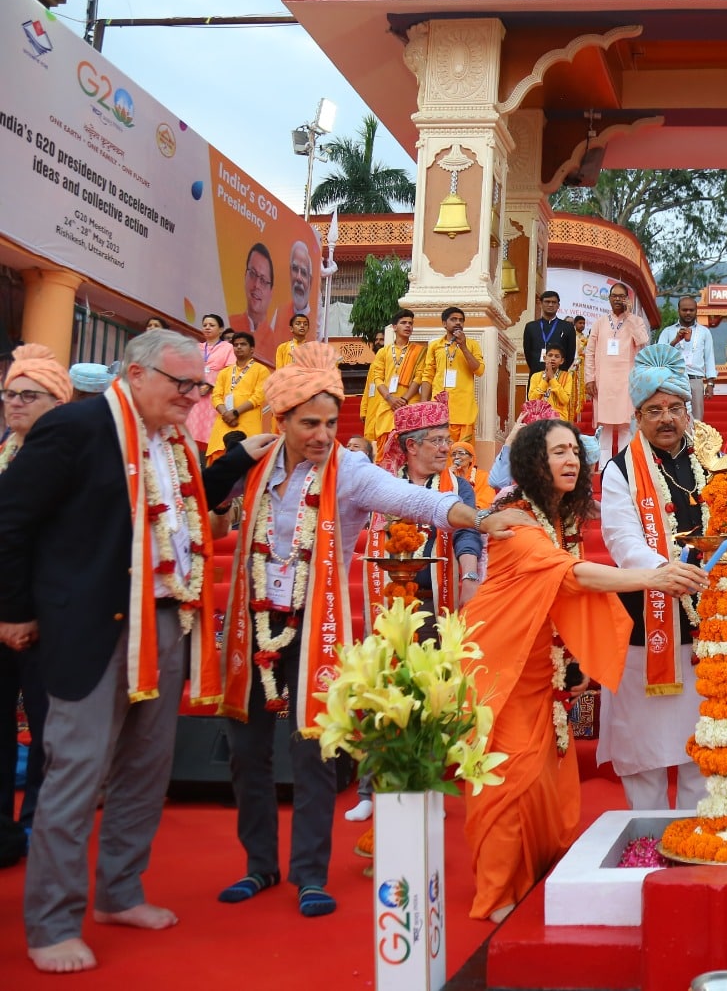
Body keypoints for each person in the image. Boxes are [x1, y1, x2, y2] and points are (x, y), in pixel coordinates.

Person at [213, 343, 529, 920]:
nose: (322, 435)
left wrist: (481, 518)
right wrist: (233, 462)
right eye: (309, 424)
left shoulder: (349, 471)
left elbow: (419, 502)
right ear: (281, 420)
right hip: (252, 620)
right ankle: (259, 864)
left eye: (330, 423)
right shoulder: (255, 462)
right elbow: (208, 504)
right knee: (246, 751)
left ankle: (310, 875)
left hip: (315, 624)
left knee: (314, 749)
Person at [0, 330, 263, 974]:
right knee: (77, 774)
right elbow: (9, 519)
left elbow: (179, 518)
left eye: (201, 386)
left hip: (167, 623)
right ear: (137, 375)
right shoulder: (76, 428)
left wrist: (233, 460)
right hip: (92, 628)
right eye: (184, 384)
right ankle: (52, 924)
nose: (195, 396)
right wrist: (14, 610)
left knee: (146, 770)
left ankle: (119, 892)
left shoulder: (173, 442)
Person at [464, 419, 703, 922]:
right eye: (558, 452)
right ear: (533, 461)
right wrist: (654, 576)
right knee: (508, 780)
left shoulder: (554, 519)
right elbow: (571, 575)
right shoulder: (515, 520)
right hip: (502, 664)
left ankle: (530, 875)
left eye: (574, 451)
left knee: (544, 780)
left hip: (540, 667)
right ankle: (497, 892)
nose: (571, 460)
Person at [346, 396, 484, 825]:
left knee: (432, 693)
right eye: (436, 440)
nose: (445, 448)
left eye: (447, 439)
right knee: (380, 688)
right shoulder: (381, 481)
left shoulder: (456, 486)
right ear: (410, 446)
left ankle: (427, 783)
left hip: (433, 599)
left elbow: (467, 533)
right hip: (385, 598)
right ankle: (370, 788)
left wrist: (469, 575)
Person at [597, 346, 713, 810]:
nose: (667, 418)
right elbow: (621, 540)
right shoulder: (620, 469)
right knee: (644, 748)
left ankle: (697, 832)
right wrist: (664, 571)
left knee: (703, 744)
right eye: (655, 410)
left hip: (707, 617)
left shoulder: (710, 460)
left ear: (687, 411)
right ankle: (647, 832)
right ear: (638, 416)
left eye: (675, 408)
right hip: (647, 619)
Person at [0, 346, 71, 849]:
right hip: (3, 611)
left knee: (49, 730)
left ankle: (37, 827)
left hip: (47, 616)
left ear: (57, 404)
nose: (15, 404)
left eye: (29, 395)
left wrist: (23, 612)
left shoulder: (68, 462)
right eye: (9, 394)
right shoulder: (4, 451)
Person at [588, 284, 651, 457]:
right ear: (609, 299)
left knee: (625, 425)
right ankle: (604, 465)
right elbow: (590, 352)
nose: (618, 299)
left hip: (627, 381)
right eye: (614, 296)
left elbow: (643, 341)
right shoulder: (599, 323)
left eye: (622, 296)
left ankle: (624, 465)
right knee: (605, 426)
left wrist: (629, 316)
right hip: (604, 380)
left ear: (627, 299)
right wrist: (589, 378)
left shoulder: (636, 321)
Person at [365, 310, 430, 458]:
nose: (408, 326)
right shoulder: (383, 352)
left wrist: (404, 399)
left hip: (410, 402)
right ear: (394, 327)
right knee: (385, 444)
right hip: (388, 403)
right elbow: (378, 378)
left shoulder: (419, 351)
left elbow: (419, 376)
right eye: (403, 323)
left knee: (409, 444)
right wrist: (390, 398)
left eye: (410, 323)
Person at [425, 306, 485, 444]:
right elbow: (428, 374)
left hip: (464, 411)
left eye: (461, 320)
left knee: (462, 452)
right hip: (440, 409)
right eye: (453, 319)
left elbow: (479, 370)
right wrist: (425, 403)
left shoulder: (472, 344)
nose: (458, 322)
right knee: (440, 452)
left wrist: (463, 347)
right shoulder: (435, 346)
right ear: (444, 324)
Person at [208, 331, 270, 460]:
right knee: (218, 461)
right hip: (224, 423)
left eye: (243, 344)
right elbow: (216, 396)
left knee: (244, 461)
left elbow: (258, 397)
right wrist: (226, 414)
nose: (239, 347)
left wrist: (235, 413)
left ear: (252, 349)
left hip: (248, 424)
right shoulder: (225, 372)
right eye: (236, 345)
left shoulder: (261, 370)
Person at [658, 296, 717, 420]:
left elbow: (709, 358)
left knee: (697, 419)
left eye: (691, 310)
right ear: (678, 310)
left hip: (696, 380)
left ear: (696, 311)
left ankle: (694, 434)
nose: (688, 313)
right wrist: (675, 341)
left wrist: (710, 383)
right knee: (674, 417)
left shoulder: (704, 332)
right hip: (673, 379)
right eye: (684, 310)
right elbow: (659, 356)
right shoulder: (668, 331)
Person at [187, 313, 236, 445]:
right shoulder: (197, 347)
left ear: (221, 329)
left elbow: (230, 370)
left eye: (211, 325)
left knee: (210, 432)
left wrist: (211, 384)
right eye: (205, 325)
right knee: (191, 430)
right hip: (196, 390)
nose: (207, 327)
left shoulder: (228, 348)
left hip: (216, 392)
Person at [522, 289, 577, 381]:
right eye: (547, 302)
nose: (550, 305)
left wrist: (560, 368)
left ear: (558, 305)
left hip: (559, 376)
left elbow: (570, 354)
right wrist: (537, 367)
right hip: (536, 375)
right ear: (540, 304)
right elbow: (528, 353)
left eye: (554, 302)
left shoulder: (567, 327)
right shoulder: (531, 327)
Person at [527, 345, 582, 423]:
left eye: (557, 356)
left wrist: (552, 379)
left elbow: (564, 400)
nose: (553, 358)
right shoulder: (535, 376)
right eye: (550, 355)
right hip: (538, 417)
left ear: (561, 361)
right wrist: (545, 380)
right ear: (544, 358)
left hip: (559, 417)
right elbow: (532, 400)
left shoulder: (567, 377)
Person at [231, 243, 275, 337]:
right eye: (252, 274)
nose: (256, 285)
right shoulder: (228, 326)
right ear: (245, 276)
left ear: (271, 293)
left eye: (263, 280)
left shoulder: (276, 342)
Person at [452, 440, 491, 509]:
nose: (456, 457)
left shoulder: (483, 476)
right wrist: (448, 475)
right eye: (453, 454)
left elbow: (486, 499)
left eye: (461, 453)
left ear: (471, 458)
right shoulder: (448, 475)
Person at [287, 242, 314, 323]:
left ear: (310, 282)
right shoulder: (279, 314)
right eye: (295, 269)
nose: (298, 278)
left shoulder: (316, 321)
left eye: (303, 272)